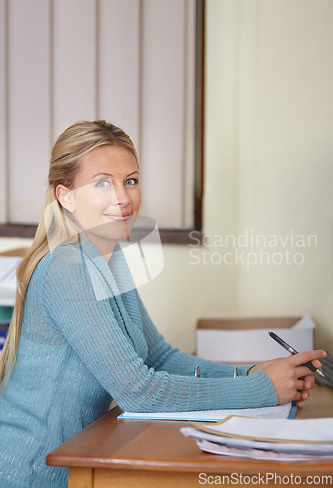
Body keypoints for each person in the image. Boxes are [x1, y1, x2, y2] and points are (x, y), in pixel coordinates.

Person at [0, 120, 326, 488]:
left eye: (131, 180)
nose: (122, 197)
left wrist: (249, 373)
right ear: (66, 195)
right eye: (102, 183)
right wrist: (263, 388)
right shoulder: (65, 267)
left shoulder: (110, 257)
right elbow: (138, 391)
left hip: (76, 456)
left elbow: (159, 358)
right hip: (33, 470)